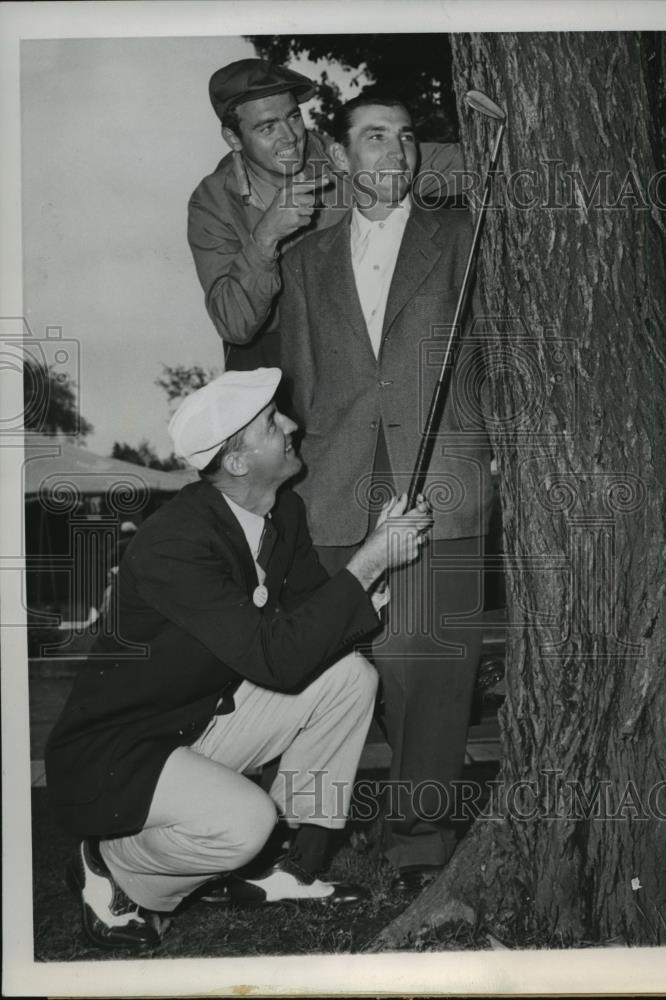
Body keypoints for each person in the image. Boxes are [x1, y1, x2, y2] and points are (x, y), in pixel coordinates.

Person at [45, 368, 432, 952]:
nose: (293, 426)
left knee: (351, 677)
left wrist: (369, 575)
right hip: (122, 751)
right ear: (238, 462)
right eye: (274, 424)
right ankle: (112, 867)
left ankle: (290, 866)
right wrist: (371, 560)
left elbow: (309, 629)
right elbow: (277, 659)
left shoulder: (285, 513)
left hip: (199, 719)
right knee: (245, 822)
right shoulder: (175, 543)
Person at [276, 94, 495, 888]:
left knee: (430, 662)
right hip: (336, 484)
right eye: (374, 138)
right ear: (340, 157)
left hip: (441, 473)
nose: (395, 153)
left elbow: (494, 358)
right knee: (334, 663)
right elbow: (302, 386)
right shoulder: (303, 263)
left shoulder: (464, 239)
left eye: (405, 139)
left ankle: (419, 841)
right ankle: (302, 839)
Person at [187, 58, 464, 370]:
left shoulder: (341, 159)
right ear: (233, 138)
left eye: (292, 118)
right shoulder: (211, 203)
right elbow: (234, 325)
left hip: (347, 339)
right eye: (267, 127)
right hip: (269, 356)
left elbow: (460, 164)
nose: (289, 137)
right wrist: (265, 238)